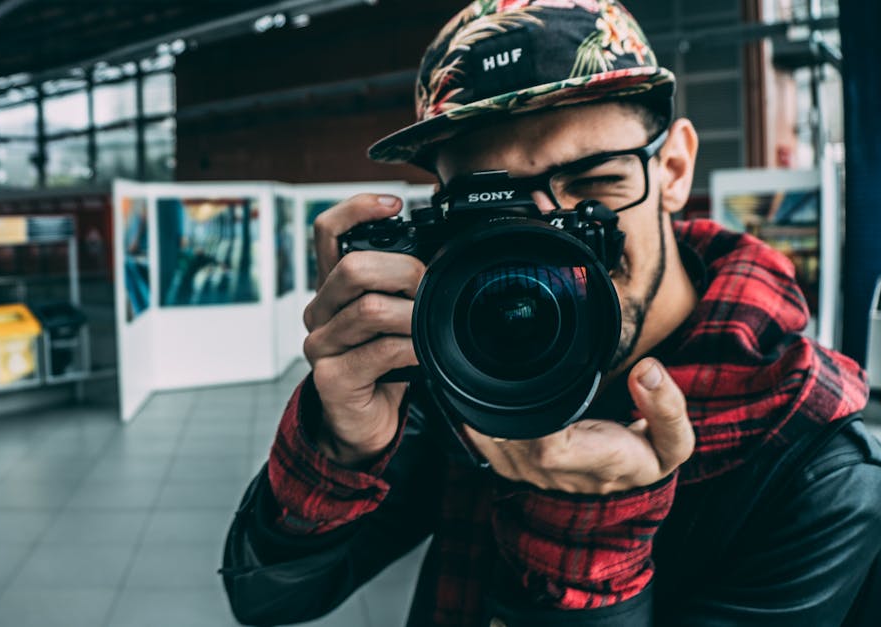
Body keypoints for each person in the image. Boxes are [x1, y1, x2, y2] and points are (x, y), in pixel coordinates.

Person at [221, 1, 881, 625]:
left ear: (674, 167)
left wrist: (589, 536)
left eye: (595, 186)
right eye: (498, 209)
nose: (553, 245)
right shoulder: (456, 355)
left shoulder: (820, 471)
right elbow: (268, 598)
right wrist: (341, 443)